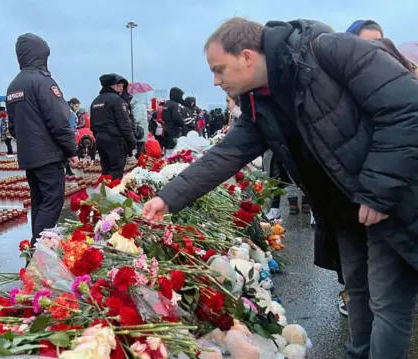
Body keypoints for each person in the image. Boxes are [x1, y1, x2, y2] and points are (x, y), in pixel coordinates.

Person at [143, 18, 418, 359]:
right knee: (358, 292)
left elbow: (406, 108)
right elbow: (226, 154)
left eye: (219, 69)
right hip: (345, 209)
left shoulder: (329, 51)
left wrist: (378, 192)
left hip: (391, 196)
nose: (215, 81)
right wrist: (166, 198)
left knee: (387, 302)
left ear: (246, 56)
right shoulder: (260, 103)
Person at [6, 33, 78, 245]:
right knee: (51, 203)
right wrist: (71, 150)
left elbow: (13, 127)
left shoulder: (13, 86)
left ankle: (36, 248)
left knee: (39, 202)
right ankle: (40, 252)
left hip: (29, 156)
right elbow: (59, 119)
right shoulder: (42, 81)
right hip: (48, 155)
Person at [90, 73, 136, 179]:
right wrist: (131, 141)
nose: (120, 89)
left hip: (100, 140)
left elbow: (92, 125)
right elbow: (124, 124)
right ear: (113, 85)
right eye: (119, 86)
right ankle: (112, 194)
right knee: (116, 171)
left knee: (105, 170)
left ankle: (104, 193)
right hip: (115, 140)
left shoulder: (95, 101)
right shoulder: (117, 100)